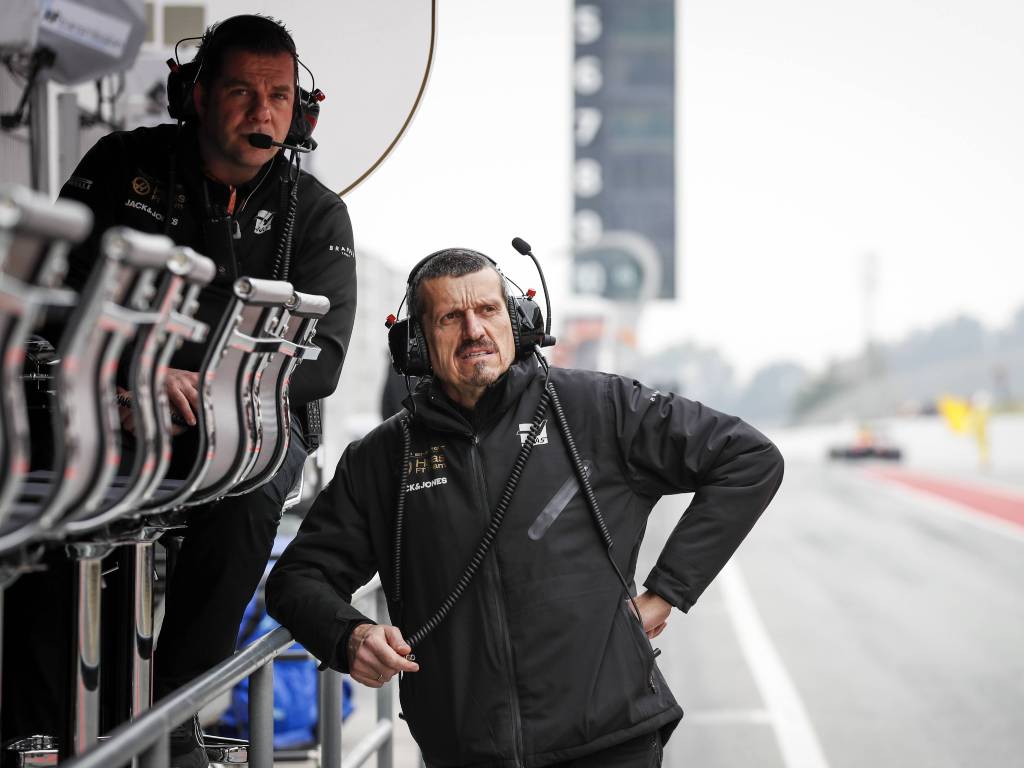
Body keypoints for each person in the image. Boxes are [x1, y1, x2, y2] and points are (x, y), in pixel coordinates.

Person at [265, 248, 783, 767]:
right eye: (450, 317)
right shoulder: (380, 459)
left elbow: (749, 459)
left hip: (611, 742)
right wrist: (349, 635)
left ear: (518, 321)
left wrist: (667, 591)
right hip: (465, 753)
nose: (474, 330)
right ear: (417, 341)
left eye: (488, 310)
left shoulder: (598, 408)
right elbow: (297, 578)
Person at [1, 15, 355, 768]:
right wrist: (138, 372)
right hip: (111, 404)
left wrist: (212, 381)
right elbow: (53, 295)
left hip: (248, 427)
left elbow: (319, 363)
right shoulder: (121, 162)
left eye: (280, 96)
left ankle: (175, 717)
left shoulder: (318, 213)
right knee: (49, 477)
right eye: (241, 92)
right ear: (194, 95)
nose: (263, 113)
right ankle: (32, 730)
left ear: (302, 110)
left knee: (246, 495)